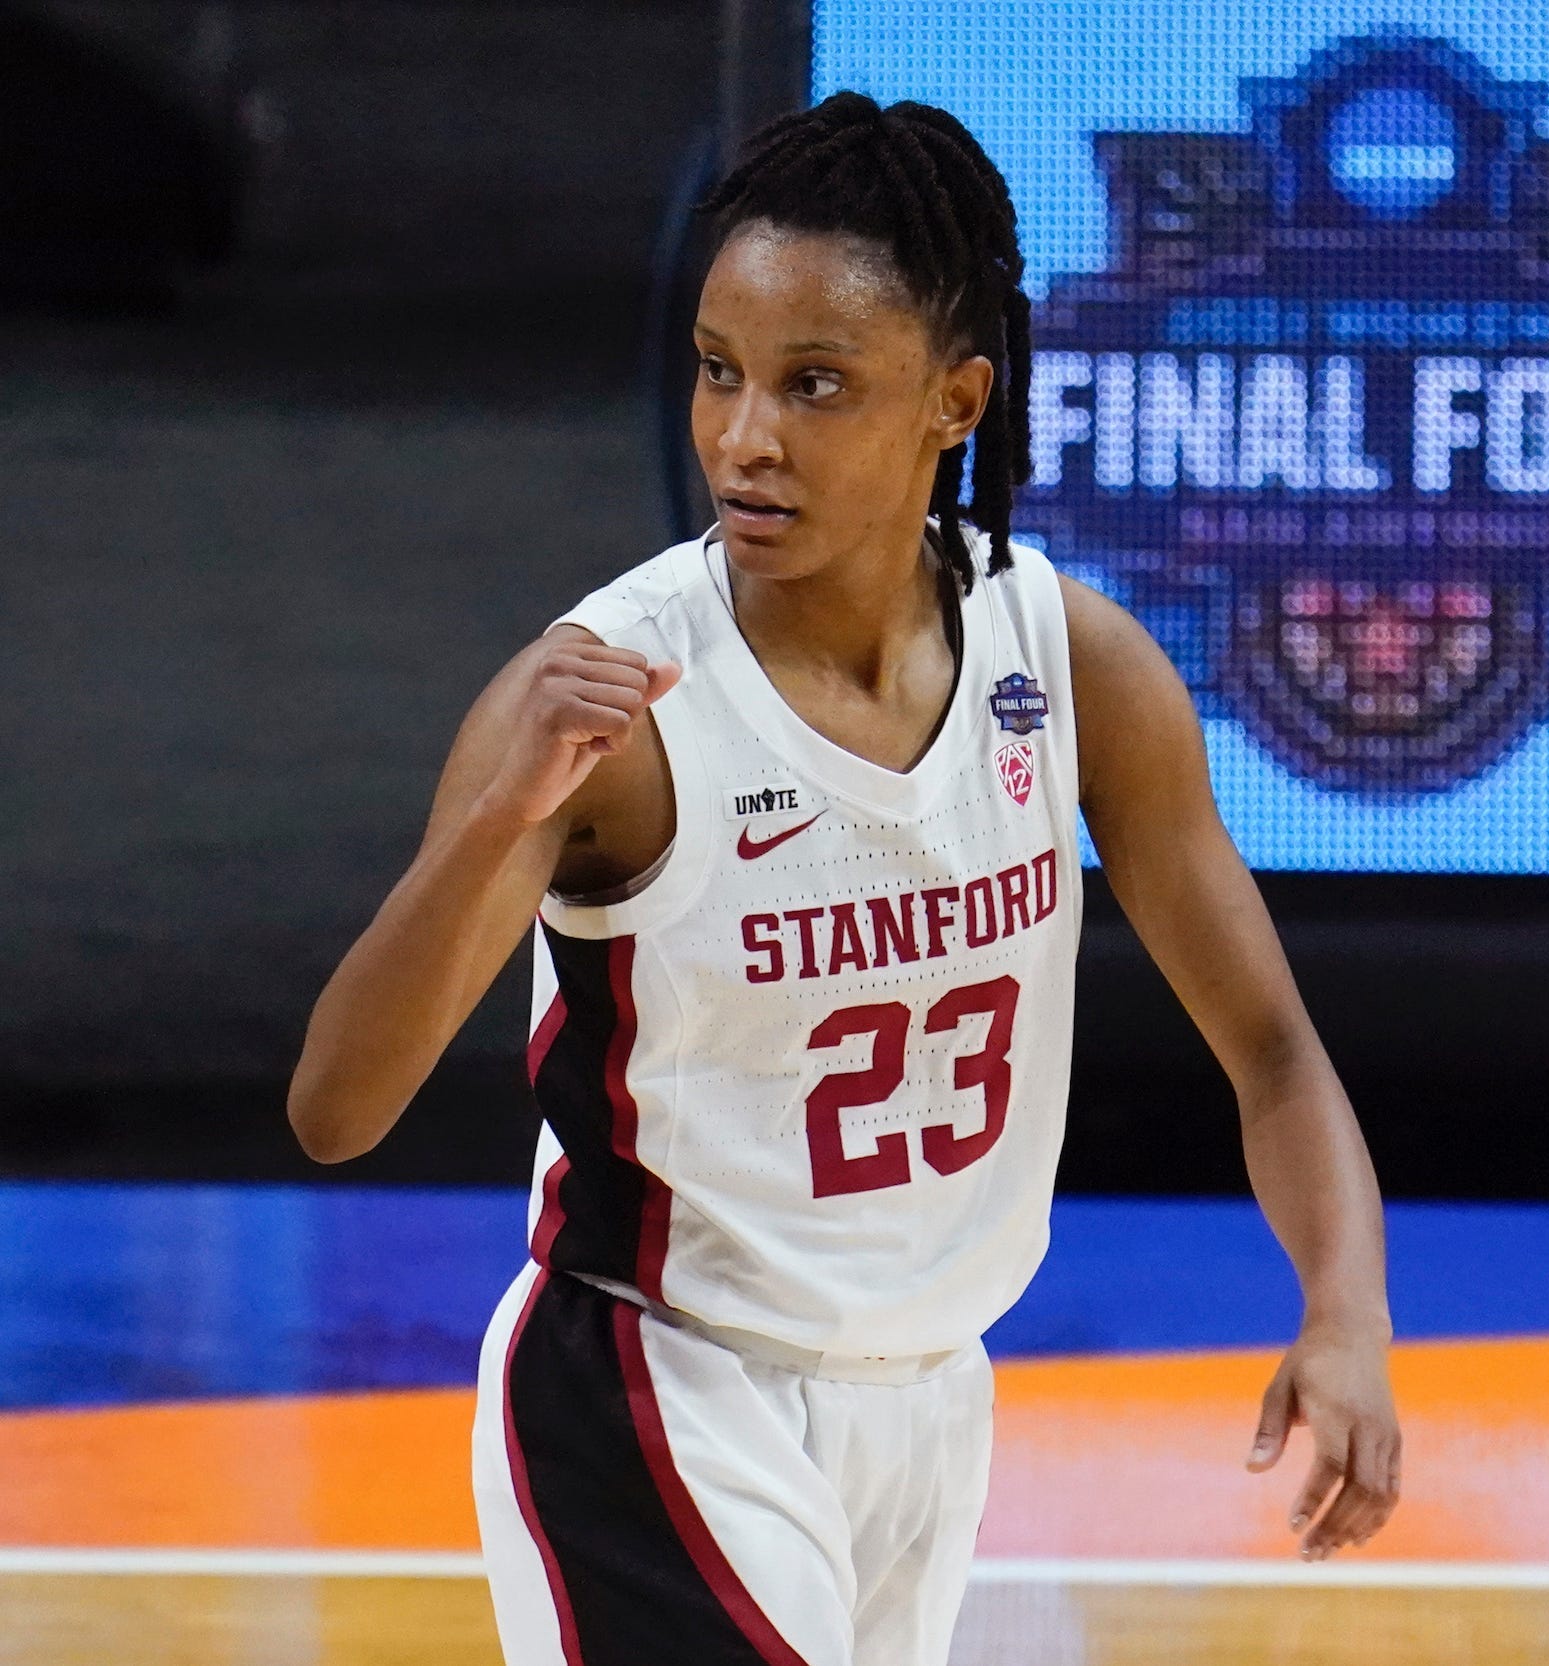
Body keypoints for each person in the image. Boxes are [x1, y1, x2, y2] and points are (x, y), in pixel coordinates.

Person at [287, 90, 1399, 1666]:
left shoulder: (1068, 663)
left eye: (816, 385)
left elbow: (1274, 1049)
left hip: (927, 1404)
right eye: (718, 372)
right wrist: (495, 821)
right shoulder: (613, 702)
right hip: (658, 1390)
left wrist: (1344, 1313)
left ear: (955, 400)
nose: (746, 435)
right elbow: (336, 1106)